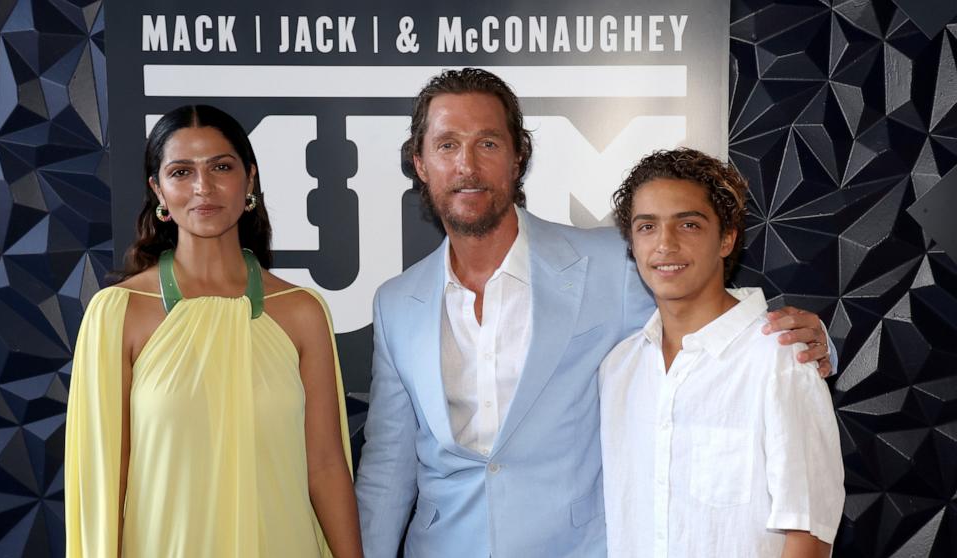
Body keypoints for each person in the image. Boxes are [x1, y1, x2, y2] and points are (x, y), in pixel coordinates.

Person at [354, 68, 836, 557]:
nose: (467, 166)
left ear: (519, 156)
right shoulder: (396, 304)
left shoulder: (610, 262)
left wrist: (803, 344)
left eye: (488, 144)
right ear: (419, 162)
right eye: (447, 145)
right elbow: (387, 471)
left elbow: (696, 305)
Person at [64, 105, 363, 558]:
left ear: (250, 179)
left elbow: (325, 466)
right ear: (158, 191)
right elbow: (105, 481)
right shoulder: (118, 313)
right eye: (182, 172)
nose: (203, 187)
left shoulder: (302, 311)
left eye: (221, 167)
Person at [600, 148, 844, 557]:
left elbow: (810, 536)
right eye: (647, 227)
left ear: (727, 238)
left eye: (689, 224)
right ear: (631, 243)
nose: (665, 244)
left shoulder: (780, 358)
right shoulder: (619, 370)